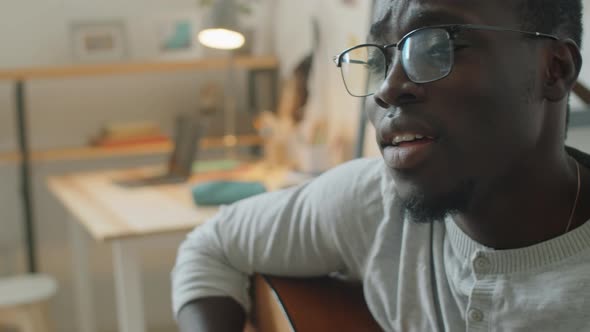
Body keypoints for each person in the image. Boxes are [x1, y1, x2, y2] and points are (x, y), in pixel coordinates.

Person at [172, 0, 590, 330]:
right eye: (378, 61)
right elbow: (213, 247)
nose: (386, 90)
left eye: (436, 46)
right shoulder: (375, 207)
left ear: (555, 69)